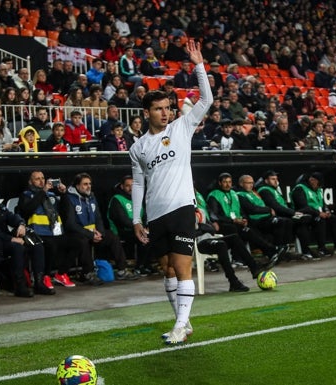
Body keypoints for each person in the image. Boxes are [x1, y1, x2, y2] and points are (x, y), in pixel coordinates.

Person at [129, 40, 212, 345]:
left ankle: (180, 325)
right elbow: (138, 183)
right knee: (166, 270)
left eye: (167, 108)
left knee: (181, 265)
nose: (165, 113)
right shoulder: (138, 148)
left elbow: (206, 100)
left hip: (181, 208)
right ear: (146, 112)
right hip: (156, 214)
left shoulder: (181, 128)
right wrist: (137, 219)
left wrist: (198, 66)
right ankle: (183, 322)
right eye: (159, 109)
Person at [0, 179, 55, 297]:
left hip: (7, 239)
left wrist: (21, 224)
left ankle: (39, 283)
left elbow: (14, 217)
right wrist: (11, 239)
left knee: (36, 244)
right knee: (17, 248)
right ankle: (19, 286)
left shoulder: (0, 207)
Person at [60, 173, 139, 283]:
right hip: (77, 233)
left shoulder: (92, 197)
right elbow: (70, 224)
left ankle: (122, 270)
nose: (88, 186)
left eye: (90, 184)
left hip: (93, 232)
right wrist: (90, 234)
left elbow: (98, 218)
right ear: (77, 186)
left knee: (112, 237)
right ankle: (88, 273)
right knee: (82, 241)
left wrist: (100, 233)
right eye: (85, 184)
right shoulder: (69, 199)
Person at [207, 172, 287, 267]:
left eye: (230, 182)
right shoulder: (214, 195)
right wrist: (233, 221)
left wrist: (244, 219)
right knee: (236, 229)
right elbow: (214, 216)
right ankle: (238, 259)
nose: (228, 184)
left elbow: (241, 211)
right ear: (220, 183)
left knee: (248, 229)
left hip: (236, 222)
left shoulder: (233, 193)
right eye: (225, 182)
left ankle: (272, 252)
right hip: (223, 224)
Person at [18, 171, 79, 288]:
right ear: (30, 182)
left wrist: (64, 194)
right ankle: (45, 276)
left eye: (43, 178)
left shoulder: (51, 195)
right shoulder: (26, 195)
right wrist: (43, 192)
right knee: (51, 245)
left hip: (54, 232)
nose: (41, 181)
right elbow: (27, 210)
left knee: (78, 242)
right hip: (37, 233)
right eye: (37, 179)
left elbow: (65, 212)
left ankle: (61, 274)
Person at [195, 188, 263, 292]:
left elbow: (210, 225)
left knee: (234, 238)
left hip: (210, 238)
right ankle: (233, 281)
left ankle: (254, 268)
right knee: (221, 245)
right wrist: (205, 228)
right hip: (198, 242)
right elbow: (191, 230)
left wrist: (207, 225)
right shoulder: (185, 212)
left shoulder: (201, 209)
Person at [256, 170, 316, 260]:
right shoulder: (264, 190)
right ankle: (284, 251)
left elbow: (282, 206)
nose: (276, 181)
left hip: (285, 215)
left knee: (304, 220)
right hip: (275, 217)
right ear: (266, 181)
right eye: (272, 179)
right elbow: (275, 206)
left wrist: (293, 213)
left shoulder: (274, 190)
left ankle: (305, 251)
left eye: (276, 179)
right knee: (294, 221)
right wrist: (293, 213)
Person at [290, 173, 336, 259]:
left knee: (334, 219)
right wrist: (318, 213)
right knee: (319, 220)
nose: (319, 187)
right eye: (318, 184)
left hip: (317, 213)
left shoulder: (318, 190)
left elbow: (323, 203)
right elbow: (303, 207)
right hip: (304, 215)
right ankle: (321, 248)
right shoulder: (299, 189)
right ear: (312, 180)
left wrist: (326, 211)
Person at [107, 175, 153, 275]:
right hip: (121, 231)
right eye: (128, 186)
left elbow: (144, 216)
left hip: (136, 229)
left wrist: (145, 227)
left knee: (153, 235)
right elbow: (122, 220)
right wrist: (139, 229)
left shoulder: (137, 199)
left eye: (133, 186)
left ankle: (146, 265)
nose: (131, 188)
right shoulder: (117, 199)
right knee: (144, 237)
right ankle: (139, 267)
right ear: (122, 187)